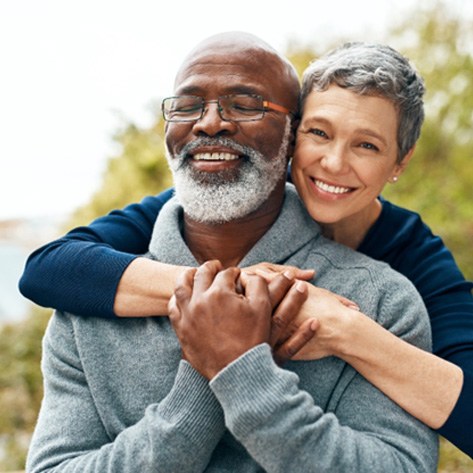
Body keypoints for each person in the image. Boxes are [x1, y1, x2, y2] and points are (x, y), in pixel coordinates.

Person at [20, 39, 473, 457]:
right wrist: (223, 298)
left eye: (368, 145)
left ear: (400, 162)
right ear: (294, 136)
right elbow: (47, 269)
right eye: (319, 133)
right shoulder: (174, 221)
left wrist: (345, 329)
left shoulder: (404, 274)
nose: (334, 163)